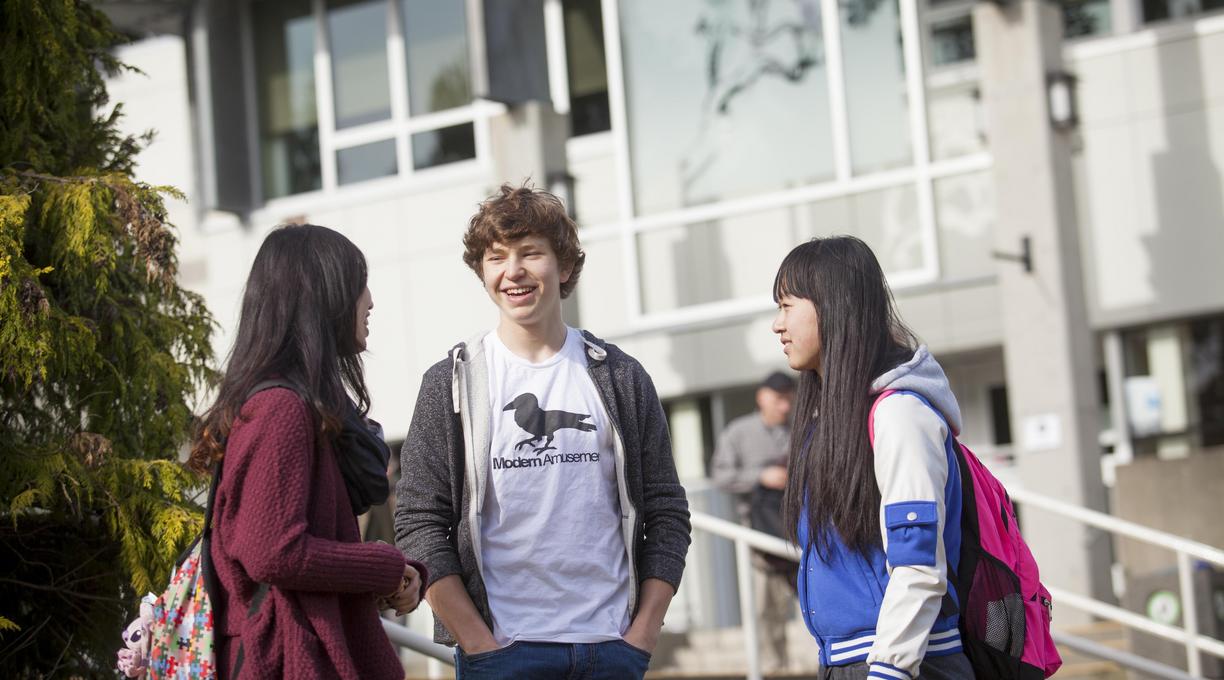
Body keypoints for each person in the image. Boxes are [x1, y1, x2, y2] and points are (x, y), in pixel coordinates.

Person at [395, 184, 691, 680]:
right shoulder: (450, 382)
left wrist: (642, 634)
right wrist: (478, 642)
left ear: (566, 267)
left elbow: (666, 510)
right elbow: (420, 523)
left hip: (610, 649)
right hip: (504, 651)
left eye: (531, 253)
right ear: (482, 272)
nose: (513, 271)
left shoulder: (620, 376)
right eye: (496, 258)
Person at [190, 224, 425, 679]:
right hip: (283, 660)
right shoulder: (280, 408)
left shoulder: (296, 406)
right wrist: (386, 564)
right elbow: (273, 552)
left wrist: (395, 572)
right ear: (323, 295)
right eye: (357, 282)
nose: (370, 300)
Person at [771, 236, 974, 680]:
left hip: (908, 663)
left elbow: (918, 563)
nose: (777, 324)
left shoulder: (900, 414)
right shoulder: (830, 419)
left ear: (832, 306)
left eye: (787, 306)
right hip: (853, 661)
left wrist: (889, 669)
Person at [710, 371, 796, 672]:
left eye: (788, 398)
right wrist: (760, 477)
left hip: (800, 530)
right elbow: (719, 476)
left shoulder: (799, 429)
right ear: (762, 397)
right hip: (759, 534)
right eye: (778, 398)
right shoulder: (739, 432)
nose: (784, 405)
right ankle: (773, 670)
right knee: (764, 606)